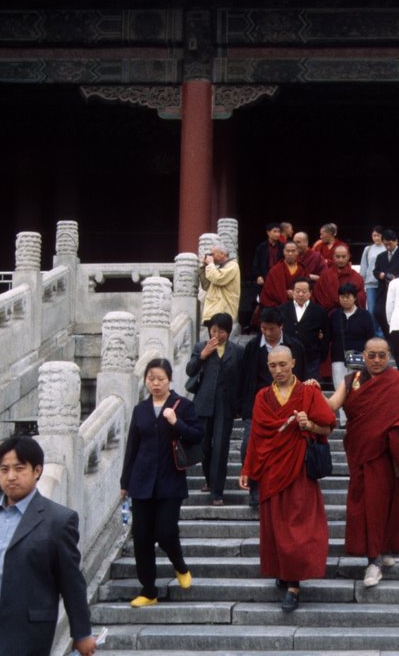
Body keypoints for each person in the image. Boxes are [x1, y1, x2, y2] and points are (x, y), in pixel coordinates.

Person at [318, 337, 399, 588]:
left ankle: (377, 559)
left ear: (389, 356)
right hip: (363, 454)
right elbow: (331, 406)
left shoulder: (397, 382)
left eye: (381, 355)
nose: (376, 360)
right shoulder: (351, 381)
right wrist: (311, 392)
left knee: (387, 505)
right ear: (363, 355)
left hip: (390, 458)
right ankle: (375, 556)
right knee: (367, 506)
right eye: (371, 355)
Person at [0, 436, 96, 656]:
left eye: (19, 468)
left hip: (25, 631)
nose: (11, 476)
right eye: (4, 469)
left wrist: (81, 633)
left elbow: (71, 581)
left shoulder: (58, 520)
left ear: (37, 471)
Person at [239, 345, 336, 612]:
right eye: (273, 366)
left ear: (293, 363)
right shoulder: (262, 397)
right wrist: (247, 469)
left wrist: (309, 425)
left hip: (299, 470)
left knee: (297, 527)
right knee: (276, 526)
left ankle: (293, 585)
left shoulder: (308, 392)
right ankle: (284, 571)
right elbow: (257, 437)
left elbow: (328, 425)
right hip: (271, 470)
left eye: (283, 364)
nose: (278, 370)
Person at [120, 358, 204, 608]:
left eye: (161, 379)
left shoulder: (183, 405)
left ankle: (179, 565)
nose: (155, 384)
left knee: (165, 531)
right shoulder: (140, 410)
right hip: (142, 481)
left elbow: (197, 435)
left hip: (170, 480)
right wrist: (125, 482)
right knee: (142, 537)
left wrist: (176, 422)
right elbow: (132, 447)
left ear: (169, 380)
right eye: (151, 379)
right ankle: (148, 590)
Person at [240, 307, 307, 507]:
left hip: (288, 403)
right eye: (263, 328)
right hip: (258, 404)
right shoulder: (253, 347)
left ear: (281, 327)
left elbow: (301, 373)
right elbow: (244, 377)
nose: (267, 333)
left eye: (271, 329)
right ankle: (255, 488)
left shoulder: (294, 346)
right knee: (249, 444)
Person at [185, 312, 244, 505]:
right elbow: (190, 370)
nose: (216, 334)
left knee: (220, 447)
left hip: (225, 406)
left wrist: (239, 405)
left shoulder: (237, 351)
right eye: (214, 330)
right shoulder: (201, 347)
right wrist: (202, 356)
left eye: (221, 331)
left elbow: (241, 378)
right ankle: (210, 481)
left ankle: (217, 492)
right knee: (203, 446)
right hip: (203, 404)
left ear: (228, 332)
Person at [329, 283, 376, 420]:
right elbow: (329, 336)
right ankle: (344, 418)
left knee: (357, 388)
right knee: (340, 388)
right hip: (338, 356)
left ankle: (356, 417)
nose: (345, 299)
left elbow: (370, 337)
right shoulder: (334, 315)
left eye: (348, 297)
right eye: (342, 297)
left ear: (355, 298)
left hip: (358, 357)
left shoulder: (364, 315)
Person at [279, 277, 330, 382]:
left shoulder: (320, 311)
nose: (300, 294)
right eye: (297, 291)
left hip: (311, 357)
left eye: (304, 291)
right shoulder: (282, 309)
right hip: (288, 356)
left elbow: (327, 334)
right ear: (292, 292)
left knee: (310, 388)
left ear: (310, 292)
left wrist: (321, 353)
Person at [372, 229, 399, 335]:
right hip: (383, 290)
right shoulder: (381, 256)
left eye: (390, 244)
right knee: (378, 312)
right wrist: (380, 275)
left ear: (396, 241)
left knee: (396, 314)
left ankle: (395, 336)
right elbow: (375, 271)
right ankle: (387, 335)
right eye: (385, 244)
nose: (388, 246)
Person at [313, 243, 367, 312]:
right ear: (333, 257)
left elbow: (361, 297)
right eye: (338, 257)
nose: (341, 260)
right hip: (328, 314)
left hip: (350, 313)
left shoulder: (356, 276)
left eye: (343, 257)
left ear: (348, 257)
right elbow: (318, 295)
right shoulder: (325, 275)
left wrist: (348, 302)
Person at [199, 242, 241, 328]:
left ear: (222, 254)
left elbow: (218, 279)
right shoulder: (219, 268)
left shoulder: (232, 266)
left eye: (213, 254)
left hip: (223, 311)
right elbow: (206, 286)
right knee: (213, 339)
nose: (211, 256)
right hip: (213, 310)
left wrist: (210, 264)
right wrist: (204, 267)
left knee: (219, 339)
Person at [259, 241, 305, 308]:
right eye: (288, 251)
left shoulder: (302, 269)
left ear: (297, 252)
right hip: (278, 307)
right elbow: (270, 291)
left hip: (298, 304)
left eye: (293, 251)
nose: (290, 253)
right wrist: (285, 293)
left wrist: (295, 294)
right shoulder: (275, 270)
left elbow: (308, 289)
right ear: (283, 252)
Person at [358, 225, 385, 335]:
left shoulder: (386, 248)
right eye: (374, 235)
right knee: (372, 310)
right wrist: (361, 279)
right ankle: (374, 332)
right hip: (370, 283)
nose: (376, 238)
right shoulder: (368, 249)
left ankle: (383, 333)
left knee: (382, 309)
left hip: (383, 283)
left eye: (378, 235)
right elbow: (364, 266)